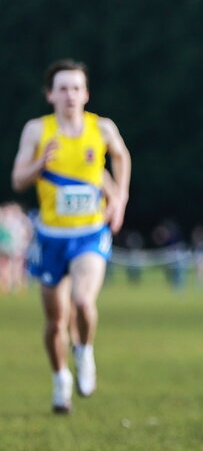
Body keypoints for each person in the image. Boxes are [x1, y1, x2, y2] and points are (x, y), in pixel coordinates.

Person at [10, 60, 131, 413]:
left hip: (90, 233)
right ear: (49, 95)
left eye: (76, 88)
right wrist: (39, 165)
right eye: (62, 88)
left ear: (86, 94)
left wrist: (119, 198)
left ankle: (85, 352)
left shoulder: (102, 128)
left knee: (82, 301)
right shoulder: (37, 131)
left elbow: (122, 157)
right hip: (50, 236)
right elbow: (18, 180)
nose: (70, 95)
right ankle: (61, 378)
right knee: (54, 322)